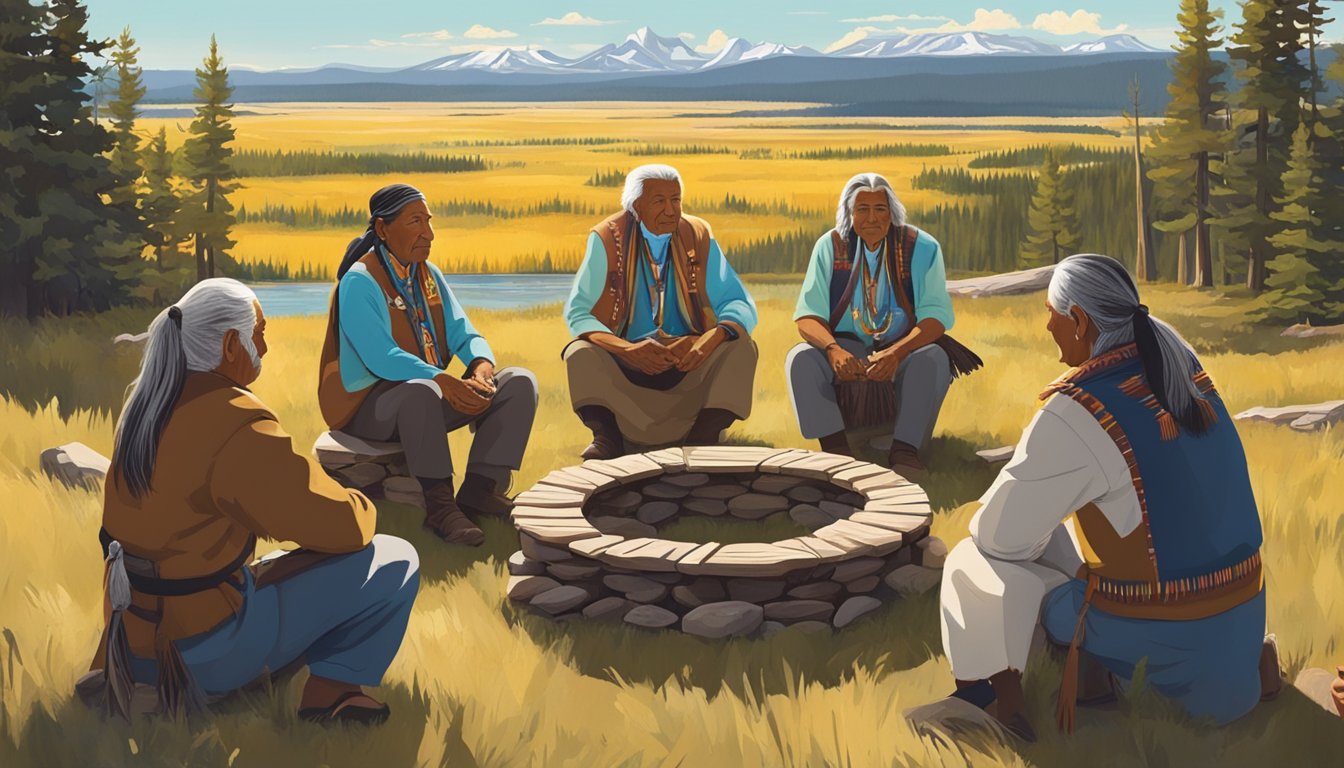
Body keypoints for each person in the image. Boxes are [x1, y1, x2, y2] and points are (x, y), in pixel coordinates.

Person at [930, 254, 1276, 740]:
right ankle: (1209, 671)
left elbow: (997, 536)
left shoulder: (1077, 408)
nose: (1047, 325)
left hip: (1164, 636)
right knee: (1064, 531)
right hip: (1238, 615)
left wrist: (1043, 558)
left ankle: (989, 706)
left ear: (1079, 320)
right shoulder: (1181, 366)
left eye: (1051, 312)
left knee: (971, 559)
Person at [88, 279, 419, 724]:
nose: (265, 346)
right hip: (203, 652)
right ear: (230, 345)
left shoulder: (145, 409)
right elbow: (344, 527)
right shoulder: (236, 423)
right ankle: (330, 693)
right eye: (258, 332)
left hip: (126, 645)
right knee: (394, 559)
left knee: (278, 562)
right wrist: (361, 502)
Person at [319, 184, 538, 546]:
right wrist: (444, 381)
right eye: (416, 221)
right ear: (383, 229)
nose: (429, 233)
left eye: (429, 221)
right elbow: (381, 357)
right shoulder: (359, 281)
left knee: (517, 382)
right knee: (419, 393)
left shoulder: (427, 274)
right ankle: (440, 508)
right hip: (366, 408)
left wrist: (481, 366)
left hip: (423, 393)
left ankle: (481, 489)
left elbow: (464, 333)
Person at [786, 173, 979, 475]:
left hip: (905, 346)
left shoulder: (921, 247)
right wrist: (833, 349)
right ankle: (836, 451)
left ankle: (905, 451)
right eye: (862, 209)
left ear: (893, 212)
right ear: (849, 214)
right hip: (847, 345)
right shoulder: (831, 246)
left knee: (934, 358)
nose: (872, 218)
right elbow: (808, 316)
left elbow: (936, 318)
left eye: (881, 209)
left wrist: (897, 353)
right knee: (800, 359)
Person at [562, 164, 758, 458]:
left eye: (676, 200)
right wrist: (628, 350)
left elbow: (739, 303)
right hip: (626, 362)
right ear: (636, 206)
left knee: (741, 345)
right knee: (579, 353)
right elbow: (578, 313)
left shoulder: (697, 233)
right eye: (659, 201)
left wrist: (709, 340)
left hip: (688, 359)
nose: (671, 210)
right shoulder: (606, 237)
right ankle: (608, 439)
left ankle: (702, 438)